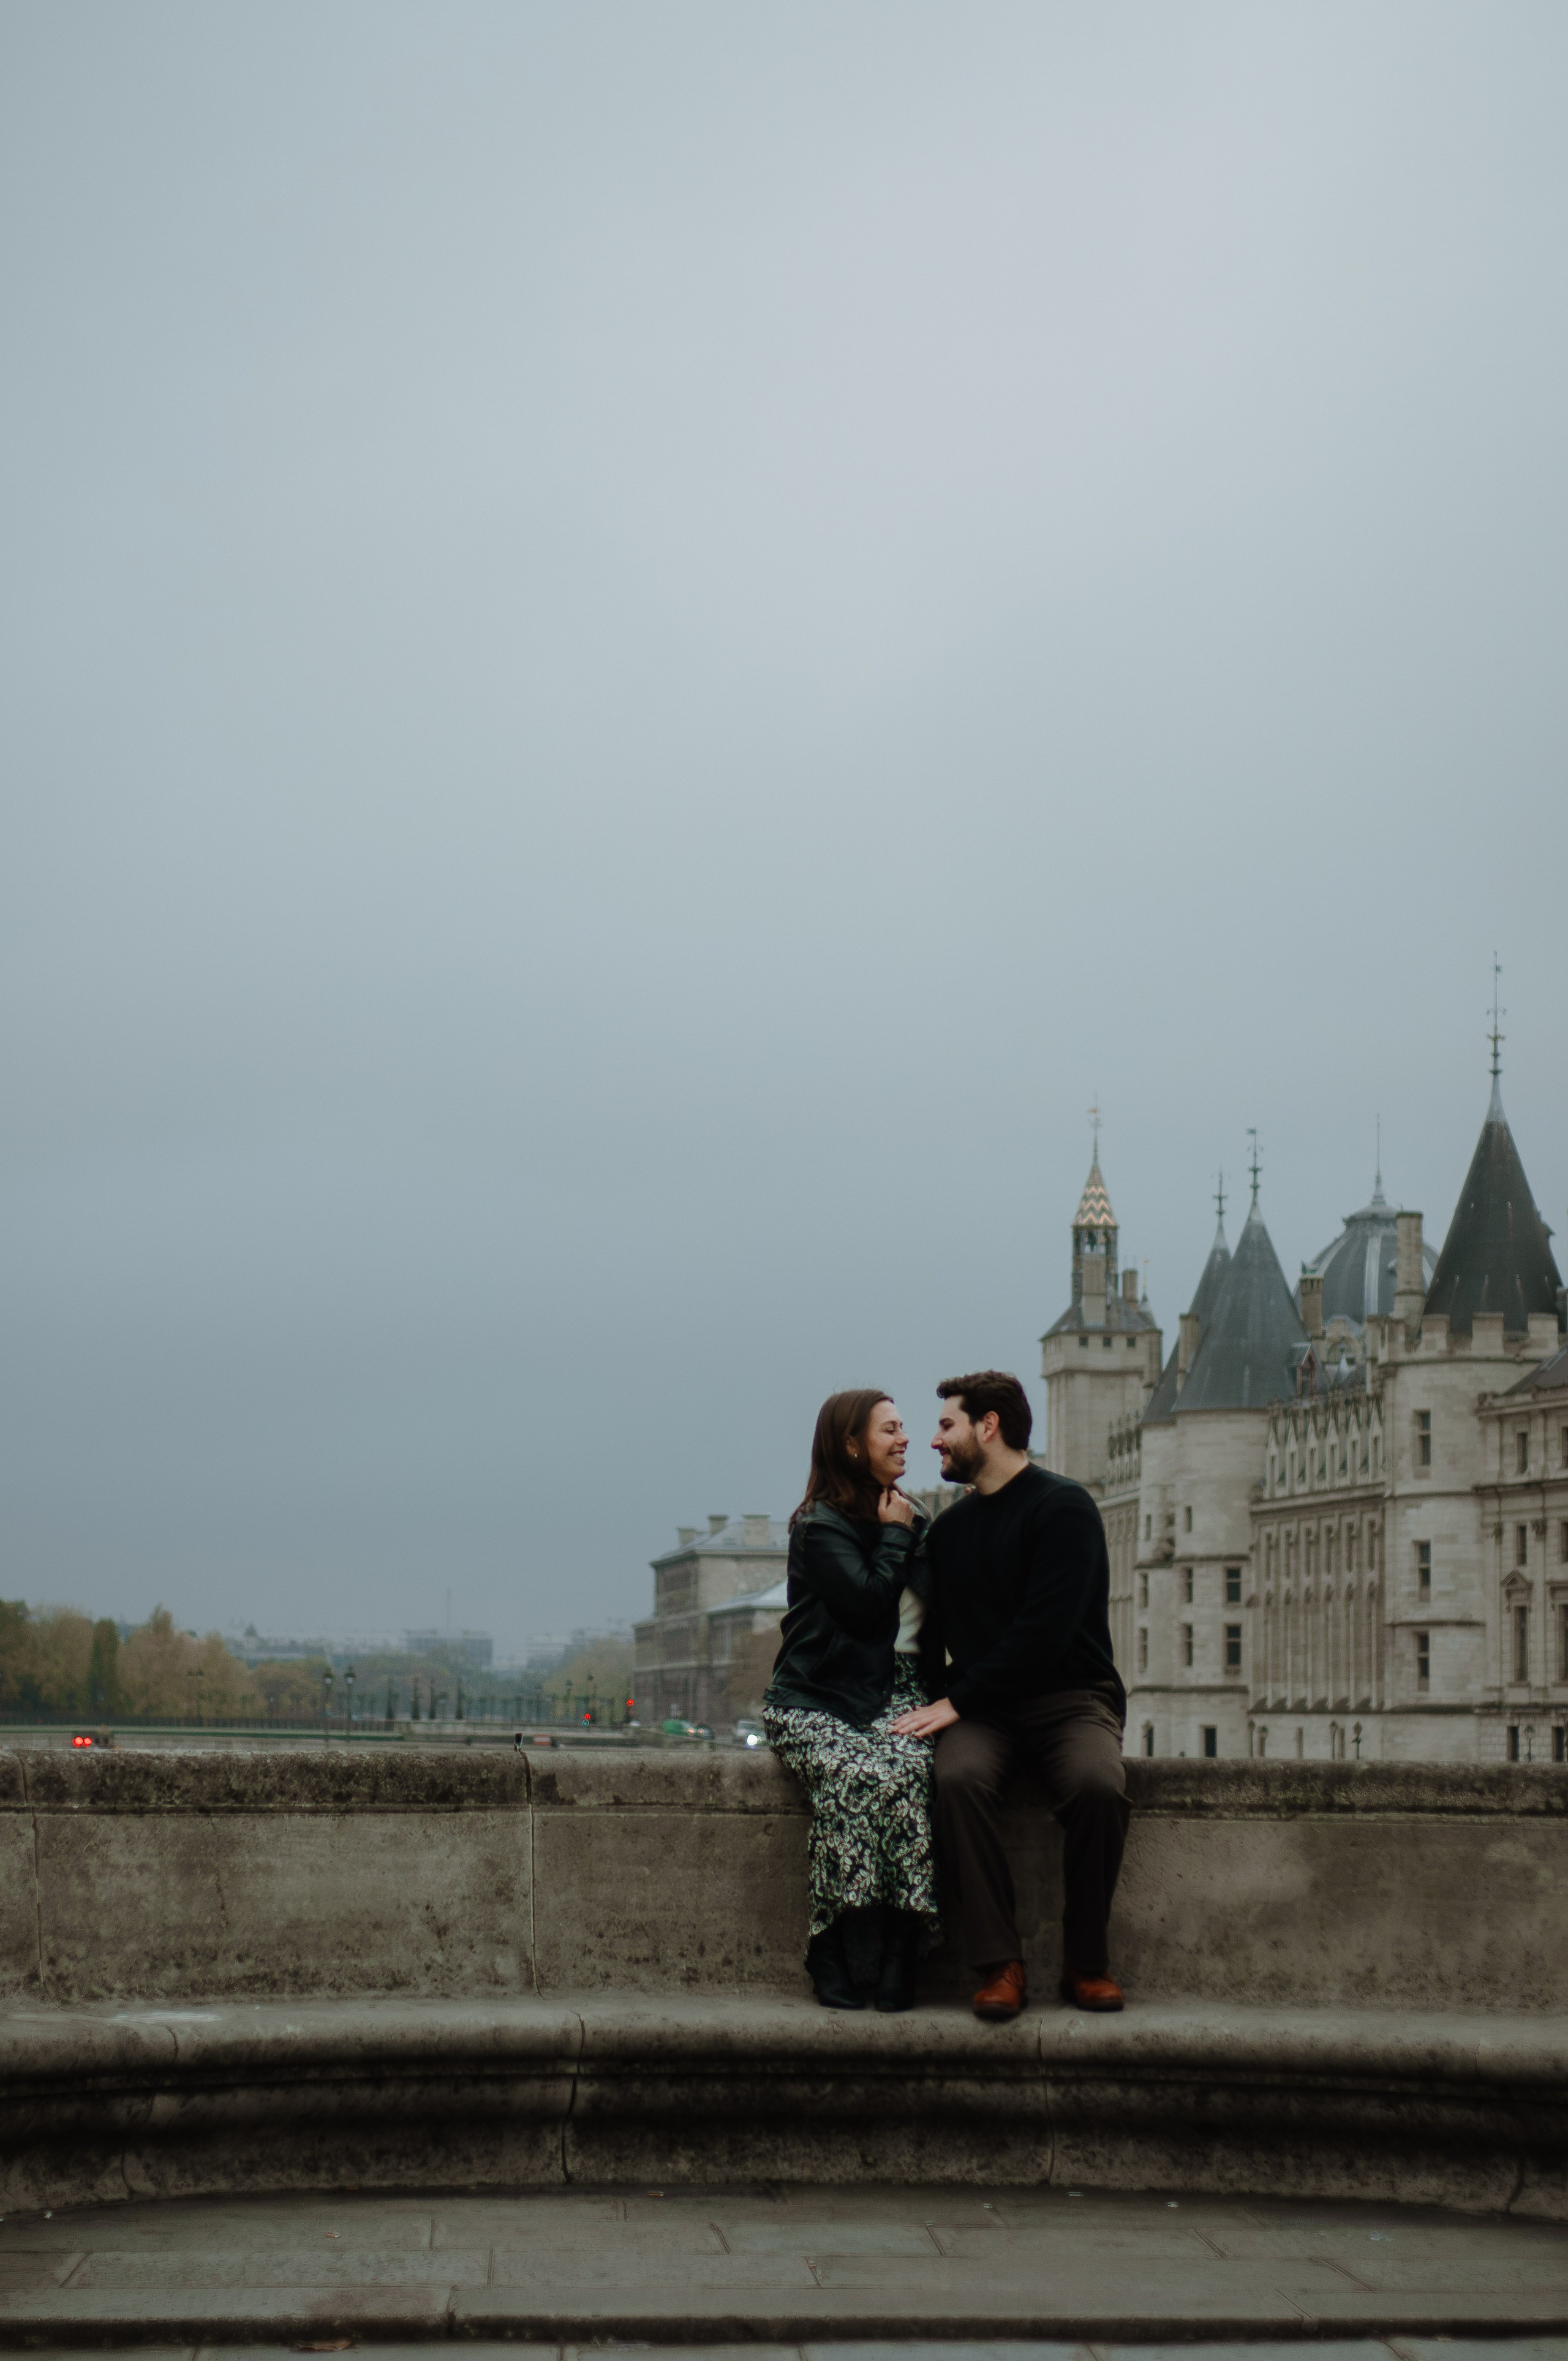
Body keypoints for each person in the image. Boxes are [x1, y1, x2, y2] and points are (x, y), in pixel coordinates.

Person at [890, 1369, 1129, 2021]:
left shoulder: (1064, 1507)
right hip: (985, 1708)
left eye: (946, 1425)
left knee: (1098, 1785)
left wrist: (957, 1701)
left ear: (987, 1427)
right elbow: (921, 1632)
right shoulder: (948, 1531)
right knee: (958, 1781)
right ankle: (1000, 1964)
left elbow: (1044, 1633)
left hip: (1069, 1695)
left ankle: (1086, 1961)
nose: (934, 1442)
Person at [763, 1388, 944, 2012]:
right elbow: (868, 1606)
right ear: (850, 1445)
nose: (905, 1440)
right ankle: (830, 1945)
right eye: (890, 1430)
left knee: (913, 1772)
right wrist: (895, 1539)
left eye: (904, 1428)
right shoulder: (819, 1525)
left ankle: (901, 1947)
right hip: (820, 1695)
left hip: (902, 1692)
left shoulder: (915, 1517)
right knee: (853, 1774)